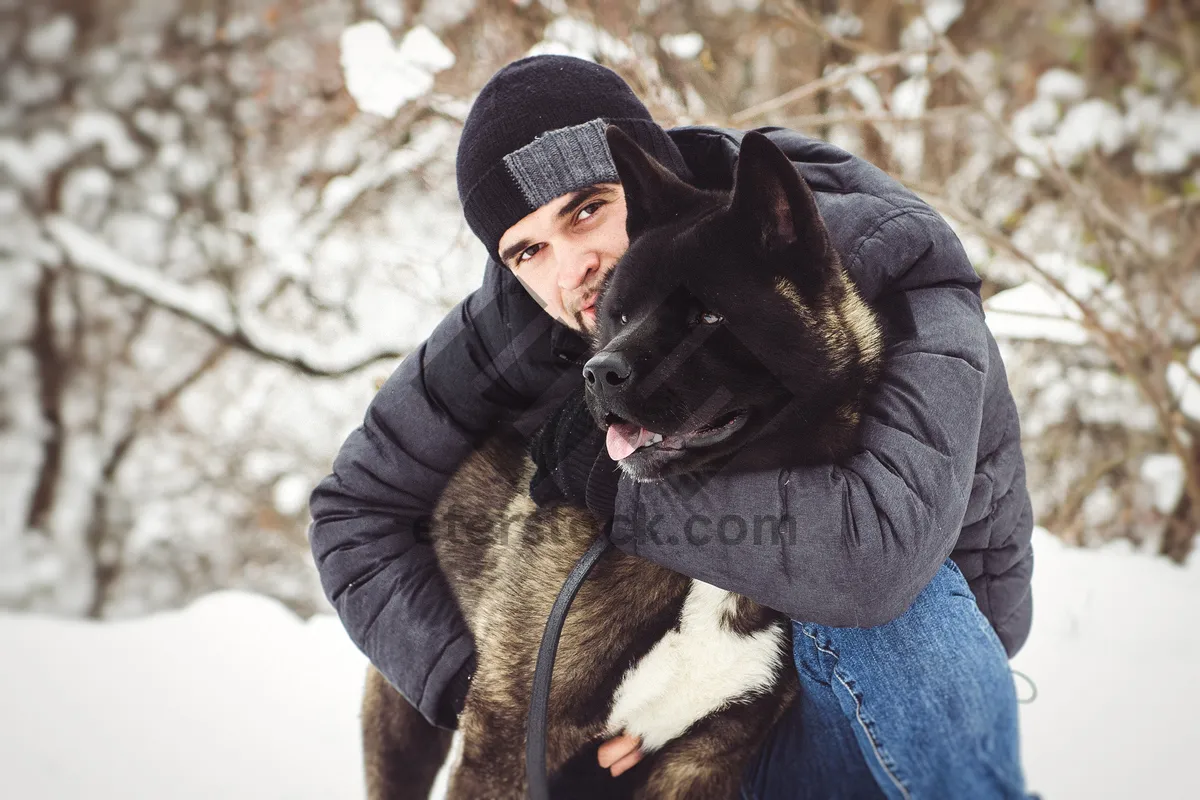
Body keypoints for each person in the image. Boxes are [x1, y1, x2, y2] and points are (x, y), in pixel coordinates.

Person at [309, 55, 1035, 799]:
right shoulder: (516, 323)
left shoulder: (886, 263)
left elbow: (877, 559)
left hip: (874, 718)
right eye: (529, 250)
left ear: (652, 180)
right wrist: (502, 695)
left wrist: (619, 492)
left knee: (895, 608)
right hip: (678, 713)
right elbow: (354, 510)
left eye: (587, 209)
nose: (574, 271)